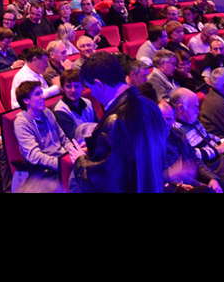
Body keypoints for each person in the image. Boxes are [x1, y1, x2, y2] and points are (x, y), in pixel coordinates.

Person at [71, 51, 167, 193]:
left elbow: (109, 181)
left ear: (99, 84)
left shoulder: (113, 122)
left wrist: (80, 161)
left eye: (91, 88)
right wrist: (95, 146)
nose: (92, 93)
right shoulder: (151, 105)